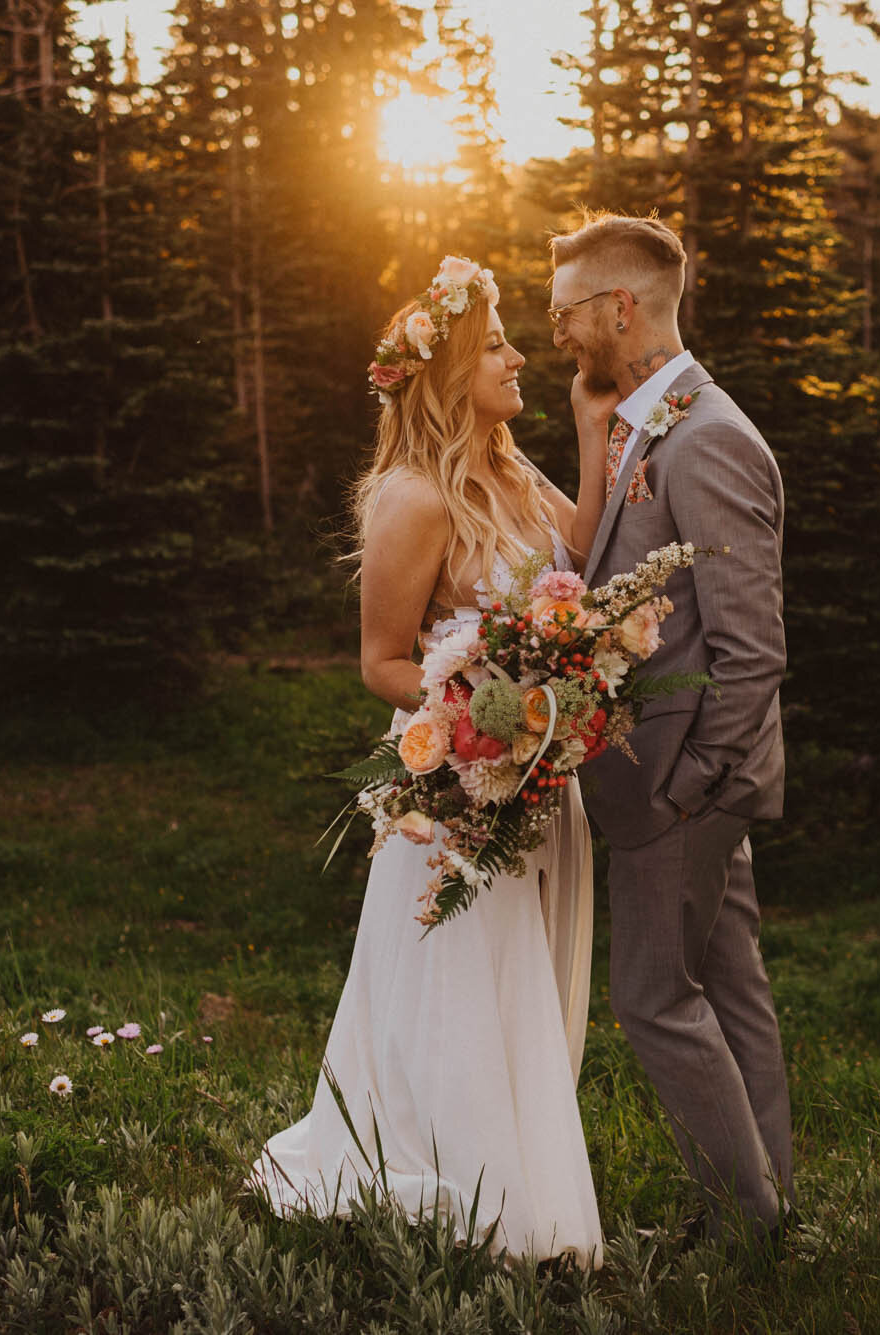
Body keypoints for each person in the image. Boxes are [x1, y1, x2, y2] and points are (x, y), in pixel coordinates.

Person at [247, 256, 613, 1268]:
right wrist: (479, 718)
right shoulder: (409, 497)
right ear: (450, 370)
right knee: (457, 979)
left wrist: (587, 432)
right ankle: (466, 1192)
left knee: (523, 979)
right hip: (459, 781)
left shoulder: (508, 465)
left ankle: (518, 1171)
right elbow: (381, 661)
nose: (514, 355)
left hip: (537, 772)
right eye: (494, 342)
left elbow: (575, 554)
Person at [550, 213, 793, 1249]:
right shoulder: (645, 422)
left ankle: (739, 1230)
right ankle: (769, 1209)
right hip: (683, 774)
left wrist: (684, 785)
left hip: (684, 782)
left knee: (653, 1001)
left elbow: (752, 646)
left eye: (564, 312)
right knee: (728, 984)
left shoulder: (709, 436)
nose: (555, 330)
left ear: (620, 306)